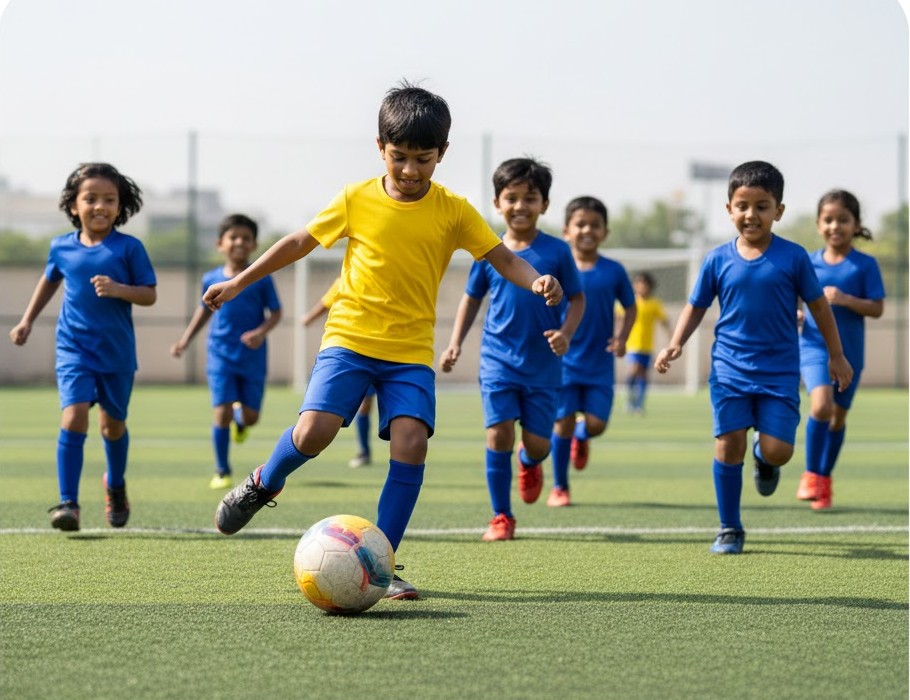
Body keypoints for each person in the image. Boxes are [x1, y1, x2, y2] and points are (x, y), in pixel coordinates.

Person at [203, 83, 563, 600]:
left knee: (412, 444)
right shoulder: (356, 198)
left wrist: (537, 280)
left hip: (409, 353)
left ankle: (382, 563)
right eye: (400, 158)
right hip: (349, 339)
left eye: (424, 158)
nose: (412, 170)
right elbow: (299, 242)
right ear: (380, 148)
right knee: (313, 434)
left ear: (443, 154)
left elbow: (502, 258)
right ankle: (264, 481)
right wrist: (240, 282)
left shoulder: (454, 210)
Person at [654, 160, 852, 555]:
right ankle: (729, 527)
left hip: (779, 371)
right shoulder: (716, 259)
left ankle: (765, 461)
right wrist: (676, 343)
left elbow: (819, 307)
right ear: (729, 209)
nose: (751, 215)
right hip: (729, 369)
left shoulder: (794, 258)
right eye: (742, 206)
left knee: (779, 450)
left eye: (762, 206)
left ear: (778, 211)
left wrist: (836, 355)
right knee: (728, 445)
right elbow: (695, 306)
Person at [440, 158, 584, 541]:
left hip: (543, 366)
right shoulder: (489, 251)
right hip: (498, 360)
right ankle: (501, 516)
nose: (520, 205)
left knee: (538, 443)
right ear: (497, 203)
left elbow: (579, 299)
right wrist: (455, 343)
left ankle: (529, 461)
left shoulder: (557, 251)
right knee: (498, 434)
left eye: (530, 198)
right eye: (512, 198)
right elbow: (471, 301)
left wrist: (566, 333)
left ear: (545, 205)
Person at [9, 162, 157, 531]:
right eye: (90, 198)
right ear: (73, 205)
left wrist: (119, 289)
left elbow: (150, 294)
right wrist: (26, 320)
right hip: (73, 349)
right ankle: (68, 503)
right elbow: (48, 283)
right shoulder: (61, 247)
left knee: (113, 426)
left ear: (120, 206)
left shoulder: (129, 248)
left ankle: (116, 486)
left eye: (109, 199)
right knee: (73, 416)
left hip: (117, 353)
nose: (100, 206)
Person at [171, 213, 282, 489]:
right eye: (233, 238)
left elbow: (276, 313)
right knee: (220, 412)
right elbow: (204, 310)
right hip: (220, 355)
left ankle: (241, 422)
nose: (240, 243)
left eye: (246, 238)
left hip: (252, 357)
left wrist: (259, 333)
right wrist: (185, 339)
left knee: (252, 416)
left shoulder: (261, 278)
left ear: (254, 244)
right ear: (221, 244)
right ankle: (222, 470)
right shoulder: (211, 278)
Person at [796, 190, 885, 510]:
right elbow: (792, 296)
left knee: (837, 418)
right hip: (815, 347)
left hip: (851, 355)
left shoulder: (864, 265)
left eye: (843, 220)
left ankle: (824, 479)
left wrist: (846, 299)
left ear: (856, 224)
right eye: (828, 219)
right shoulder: (807, 261)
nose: (836, 226)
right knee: (821, 407)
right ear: (819, 224)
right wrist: (796, 311)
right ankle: (810, 475)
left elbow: (877, 308)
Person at [549, 196, 636, 506]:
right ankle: (560, 487)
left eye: (595, 225)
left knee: (596, 424)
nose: (588, 230)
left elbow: (630, 307)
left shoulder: (613, 271)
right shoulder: (556, 268)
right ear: (566, 231)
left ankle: (582, 439)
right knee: (563, 423)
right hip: (564, 363)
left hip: (600, 364)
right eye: (580, 224)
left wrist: (623, 337)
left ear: (605, 232)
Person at [301, 276, 376, 468]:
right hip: (355, 351)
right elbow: (326, 302)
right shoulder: (347, 279)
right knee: (363, 405)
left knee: (380, 406)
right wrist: (309, 317)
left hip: (388, 348)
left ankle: (385, 451)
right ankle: (364, 450)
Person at [624, 271, 670, 414]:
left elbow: (664, 321)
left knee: (643, 374)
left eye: (644, 284)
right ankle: (630, 400)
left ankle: (639, 403)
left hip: (647, 345)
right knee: (634, 370)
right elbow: (620, 317)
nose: (641, 287)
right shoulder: (631, 302)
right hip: (632, 344)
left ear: (650, 287)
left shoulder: (654, 304)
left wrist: (671, 338)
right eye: (639, 284)